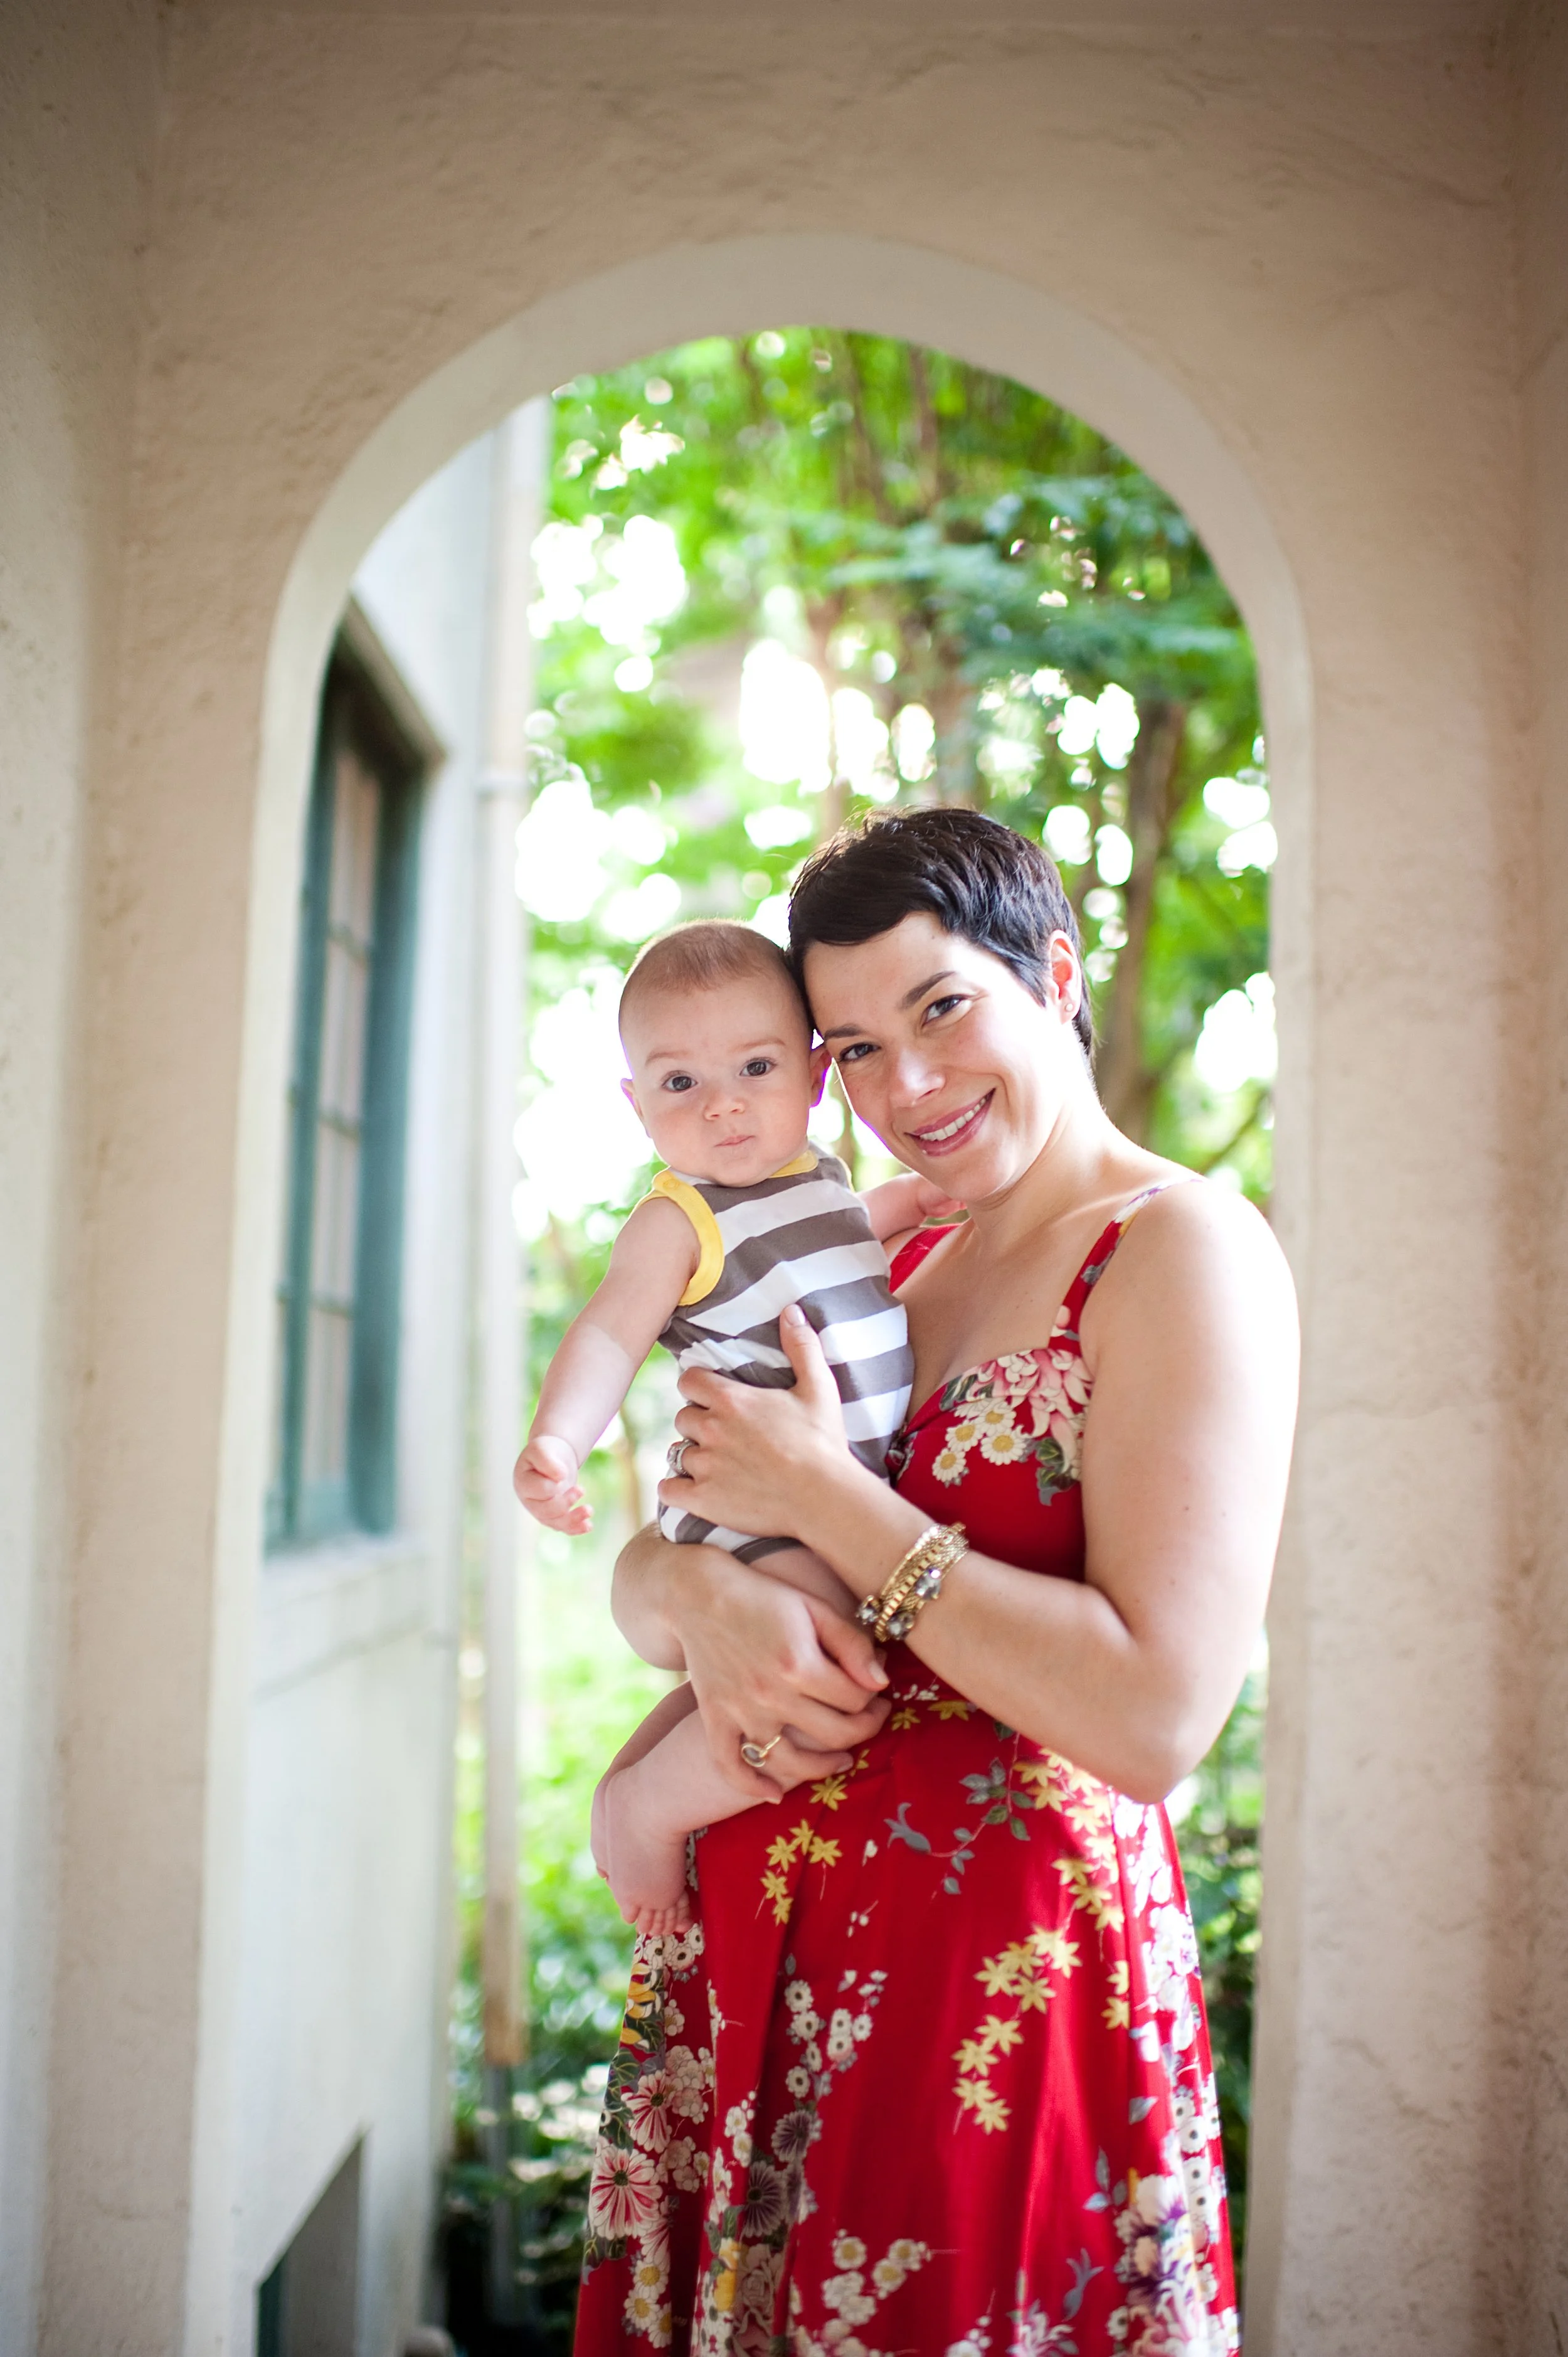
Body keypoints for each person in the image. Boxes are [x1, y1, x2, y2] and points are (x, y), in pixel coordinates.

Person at [572, 807, 1299, 2357]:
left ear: (1048, 971)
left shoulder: (1178, 1250)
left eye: (941, 1008)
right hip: (756, 1972)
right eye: (847, 1049)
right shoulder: (871, 1262)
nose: (904, 1088)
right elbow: (670, 1565)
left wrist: (829, 1500)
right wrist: (681, 1593)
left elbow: (1158, 1717)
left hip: (990, 1995)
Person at [514, 921, 956, 1934]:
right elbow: (608, 1333)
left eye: (755, 1066)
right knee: (822, 1668)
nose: (721, 1103)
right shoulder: (680, 1219)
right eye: (679, 1083)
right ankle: (647, 1812)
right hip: (760, 1517)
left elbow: (854, 1238)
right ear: (637, 1106)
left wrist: (921, 1200)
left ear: (810, 1077)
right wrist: (557, 1442)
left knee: (785, 1667)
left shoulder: (823, 1181)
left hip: (824, 1498)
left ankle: (639, 1777)